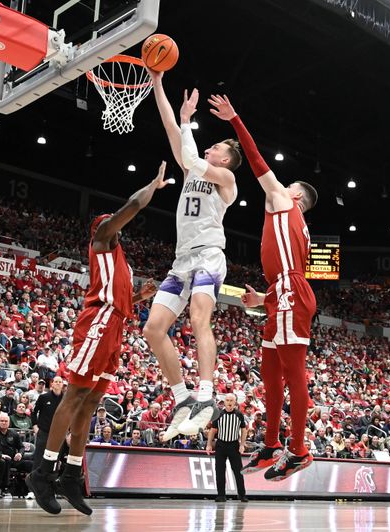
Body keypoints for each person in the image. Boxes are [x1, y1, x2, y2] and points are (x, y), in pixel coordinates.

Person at [27, 174, 162, 517]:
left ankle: (72, 475)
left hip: (115, 324)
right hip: (98, 322)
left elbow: (119, 297)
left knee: (90, 404)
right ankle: (42, 473)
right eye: (110, 223)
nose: (115, 226)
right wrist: (153, 184)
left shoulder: (122, 263)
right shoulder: (102, 240)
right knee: (73, 397)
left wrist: (137, 295)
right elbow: (131, 207)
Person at [209, 93, 318, 481]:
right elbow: (286, 268)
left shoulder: (283, 202)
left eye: (285, 184)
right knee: (270, 372)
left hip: (291, 291)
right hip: (282, 291)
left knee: (293, 373)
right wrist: (265, 298)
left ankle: (300, 450)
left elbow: (255, 160)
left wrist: (235, 119)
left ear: (297, 196)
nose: (277, 184)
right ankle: (272, 444)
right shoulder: (292, 223)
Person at [142, 69, 239, 441]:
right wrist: (157, 83)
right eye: (209, 146)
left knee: (200, 318)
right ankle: (182, 397)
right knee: (153, 329)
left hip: (210, 256)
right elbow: (169, 126)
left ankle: (206, 394)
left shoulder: (227, 181)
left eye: (217, 149)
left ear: (226, 161)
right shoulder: (192, 170)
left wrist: (188, 125)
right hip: (182, 260)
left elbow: (190, 153)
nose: (210, 148)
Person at [206, 393, 247, 502]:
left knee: (238, 471)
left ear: (235, 402)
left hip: (234, 445)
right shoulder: (218, 414)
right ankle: (221, 495)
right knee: (220, 471)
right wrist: (209, 444)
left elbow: (243, 430)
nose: (229, 402)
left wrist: (242, 445)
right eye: (227, 400)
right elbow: (213, 430)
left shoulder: (239, 415)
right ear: (224, 402)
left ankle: (242, 495)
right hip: (221, 445)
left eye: (231, 400)